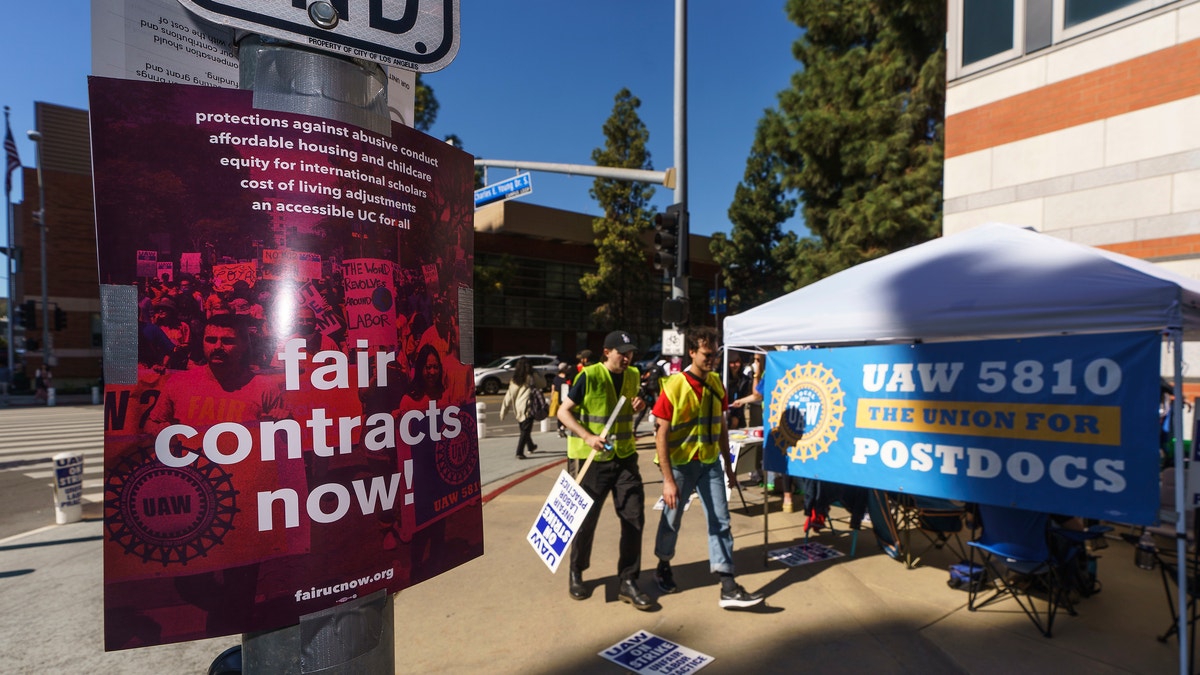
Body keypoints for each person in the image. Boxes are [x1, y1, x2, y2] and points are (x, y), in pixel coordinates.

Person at [652, 326, 763, 609]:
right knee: (672, 518)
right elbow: (661, 434)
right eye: (706, 354)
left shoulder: (716, 383)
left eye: (715, 354)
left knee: (720, 521)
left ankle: (728, 584)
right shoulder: (674, 385)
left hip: (710, 463)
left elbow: (721, 426)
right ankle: (663, 564)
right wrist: (668, 480)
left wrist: (728, 466)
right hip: (680, 465)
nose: (712, 359)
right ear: (692, 352)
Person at [556, 330, 651, 610]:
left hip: (625, 459)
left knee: (634, 518)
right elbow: (563, 412)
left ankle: (628, 581)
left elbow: (626, 409)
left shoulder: (633, 375)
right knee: (585, 523)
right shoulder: (590, 375)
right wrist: (587, 437)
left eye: (630, 353)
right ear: (607, 352)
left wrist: (640, 405)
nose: (628, 358)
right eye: (623, 353)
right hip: (590, 461)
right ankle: (577, 571)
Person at [499, 357, 546, 459]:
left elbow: (508, 395)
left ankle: (531, 446)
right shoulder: (531, 377)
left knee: (524, 429)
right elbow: (544, 384)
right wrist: (538, 374)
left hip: (518, 409)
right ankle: (519, 452)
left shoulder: (514, 379)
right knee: (525, 431)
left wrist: (504, 410)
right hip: (527, 408)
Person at [551, 362, 571, 438]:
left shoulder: (556, 378)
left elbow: (553, 388)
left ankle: (559, 428)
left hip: (557, 397)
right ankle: (562, 428)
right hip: (565, 397)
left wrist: (552, 398)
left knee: (559, 414)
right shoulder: (567, 378)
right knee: (568, 413)